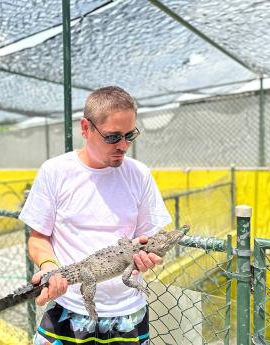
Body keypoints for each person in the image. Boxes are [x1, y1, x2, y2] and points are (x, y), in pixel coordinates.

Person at [19, 86, 172, 345]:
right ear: (86, 128)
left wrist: (149, 257)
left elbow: (148, 238)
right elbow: (38, 238)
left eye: (130, 135)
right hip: (68, 308)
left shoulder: (139, 174)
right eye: (113, 137)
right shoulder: (55, 171)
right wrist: (50, 268)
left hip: (128, 314)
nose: (123, 146)